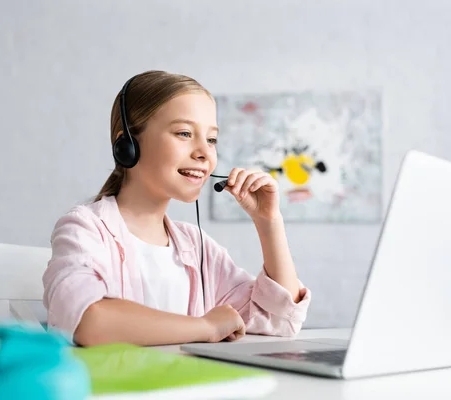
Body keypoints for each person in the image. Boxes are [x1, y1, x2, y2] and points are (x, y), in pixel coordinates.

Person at [42, 70, 311, 347]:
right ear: (128, 145)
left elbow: (280, 320)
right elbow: (88, 321)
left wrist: (268, 222)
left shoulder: (196, 246)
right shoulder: (85, 228)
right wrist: (205, 326)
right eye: (184, 133)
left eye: (211, 139)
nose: (205, 153)